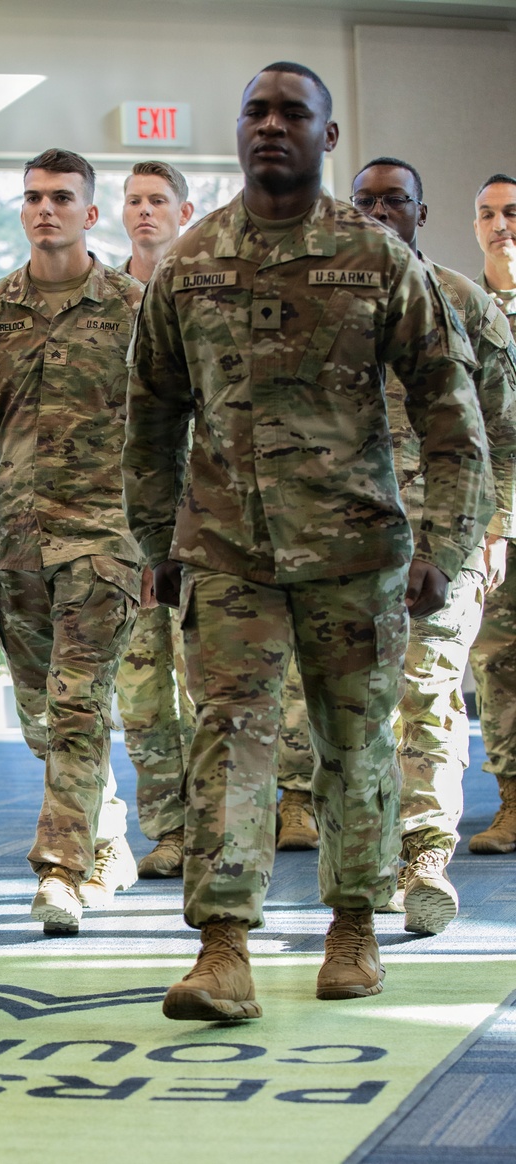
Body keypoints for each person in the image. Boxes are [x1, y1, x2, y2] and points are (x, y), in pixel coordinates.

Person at [124, 63, 493, 1022]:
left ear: (327, 138)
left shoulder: (376, 261)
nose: (272, 126)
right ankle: (223, 948)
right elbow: (151, 414)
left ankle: (355, 928)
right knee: (231, 744)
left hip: (355, 553)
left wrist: (443, 548)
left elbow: (453, 421)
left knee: (355, 744)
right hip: (228, 552)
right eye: (257, 111)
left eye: (295, 113)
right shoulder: (192, 264)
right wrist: (156, 539)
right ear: (236, 131)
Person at [278, 158, 516, 934]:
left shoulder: (464, 303)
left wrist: (495, 526)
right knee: (352, 714)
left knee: (430, 697)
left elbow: (504, 433)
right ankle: (367, 858)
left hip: (441, 542)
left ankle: (424, 857)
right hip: (343, 547)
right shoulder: (319, 305)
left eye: (395, 200)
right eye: (366, 200)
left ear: (422, 211)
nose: (380, 212)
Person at [0, 148, 142, 934]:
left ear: (92, 214)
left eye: (61, 197)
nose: (44, 209)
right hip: (18, 542)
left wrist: (168, 536)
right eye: (31, 198)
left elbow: (171, 427)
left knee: (78, 702)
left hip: (106, 540)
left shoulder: (133, 307)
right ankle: (108, 837)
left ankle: (58, 870)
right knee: (44, 720)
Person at [114, 161, 196, 878]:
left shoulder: (208, 295)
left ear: (185, 210)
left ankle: (219, 825)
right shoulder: (103, 302)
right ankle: (168, 829)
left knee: (207, 685)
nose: (145, 212)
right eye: (134, 201)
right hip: (122, 528)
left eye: (158, 201)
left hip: (203, 527)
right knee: (140, 693)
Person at [468, 173, 516, 855]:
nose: (500, 223)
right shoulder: (464, 307)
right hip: (493, 513)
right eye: (486, 214)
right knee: (499, 661)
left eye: (510, 212)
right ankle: (512, 801)